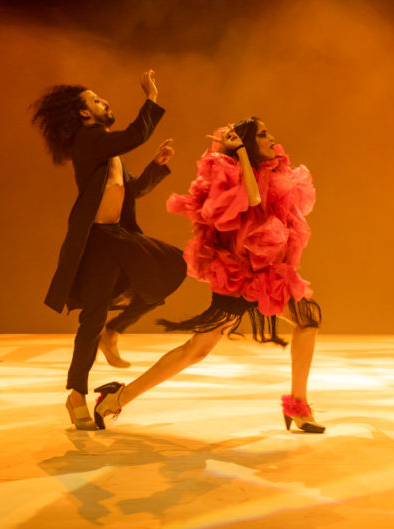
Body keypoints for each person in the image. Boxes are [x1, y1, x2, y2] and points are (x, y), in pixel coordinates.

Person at [92, 118, 325, 433]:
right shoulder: (227, 173)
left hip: (264, 277)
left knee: (308, 319)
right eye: (262, 134)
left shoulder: (274, 174)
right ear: (244, 142)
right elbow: (252, 201)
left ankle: (298, 405)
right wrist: (241, 152)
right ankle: (118, 396)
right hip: (237, 278)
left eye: (269, 132)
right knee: (196, 350)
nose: (271, 137)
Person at [31, 70, 186, 430]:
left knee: (167, 271)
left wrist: (155, 168)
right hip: (101, 241)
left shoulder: (107, 151)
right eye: (96, 100)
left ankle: (114, 331)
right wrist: (152, 97)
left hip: (118, 235)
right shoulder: (89, 140)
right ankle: (76, 394)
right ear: (85, 115)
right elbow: (136, 134)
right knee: (92, 318)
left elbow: (129, 191)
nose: (104, 102)